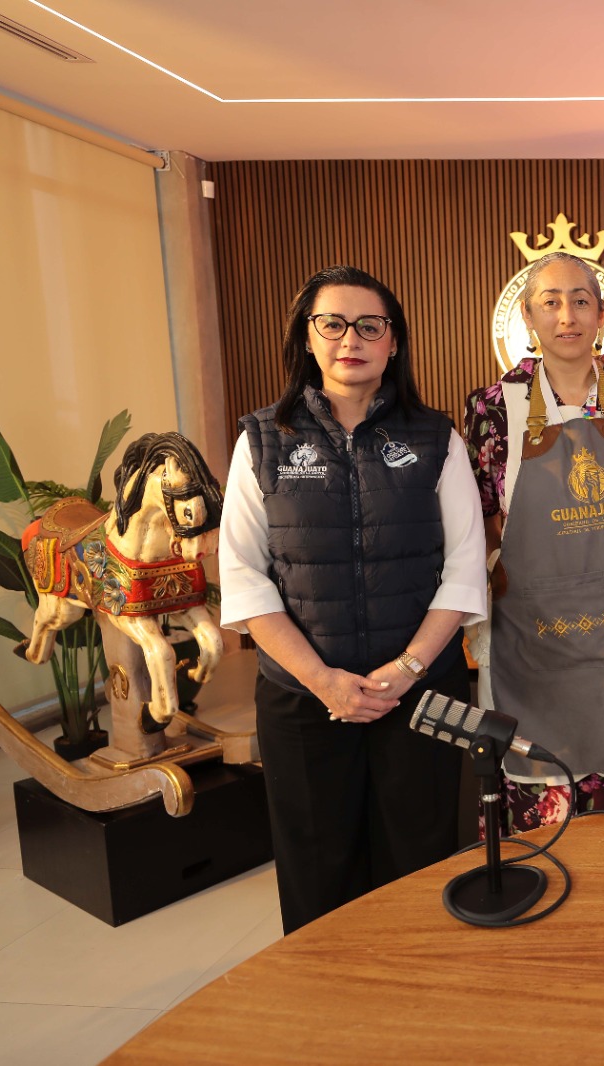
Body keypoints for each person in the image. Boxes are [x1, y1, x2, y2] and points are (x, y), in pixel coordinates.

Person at [219, 265, 486, 933]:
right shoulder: (262, 440)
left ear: (393, 342)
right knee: (317, 870)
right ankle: (326, 989)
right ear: (307, 338)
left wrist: (408, 669)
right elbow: (244, 577)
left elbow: (463, 567)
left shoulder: (436, 438)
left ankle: (417, 985)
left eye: (370, 326)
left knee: (421, 863)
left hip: (420, 692)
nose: (351, 339)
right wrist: (323, 680)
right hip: (305, 699)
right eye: (332, 324)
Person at [463, 251, 604, 830]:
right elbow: (485, 521)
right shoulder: (493, 409)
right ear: (528, 317)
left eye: (581, 301)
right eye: (551, 302)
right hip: (535, 640)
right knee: (542, 813)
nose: (567, 316)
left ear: (602, 314)